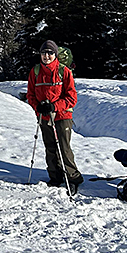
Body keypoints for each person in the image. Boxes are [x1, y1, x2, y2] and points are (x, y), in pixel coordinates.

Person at [26, 40, 83, 191]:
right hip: (44, 116)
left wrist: (54, 106)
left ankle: (73, 176)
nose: (47, 56)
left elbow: (72, 97)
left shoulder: (64, 71)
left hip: (62, 115)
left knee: (64, 147)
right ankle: (55, 176)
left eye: (50, 53)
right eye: (44, 53)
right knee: (50, 147)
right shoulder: (35, 71)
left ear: (55, 55)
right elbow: (30, 94)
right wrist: (38, 106)